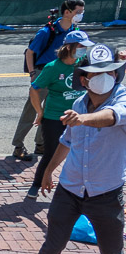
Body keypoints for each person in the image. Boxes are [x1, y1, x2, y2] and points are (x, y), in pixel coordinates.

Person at [17, 44, 126, 254]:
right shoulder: (79, 102)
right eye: (95, 72)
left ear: (117, 74)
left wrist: (83, 119)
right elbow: (66, 142)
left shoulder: (121, 100)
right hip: (70, 190)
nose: (104, 77)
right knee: (52, 245)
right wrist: (48, 171)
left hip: (106, 193)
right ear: (83, 78)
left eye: (110, 72)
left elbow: (111, 118)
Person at [12, 0, 85, 161]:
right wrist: (32, 74)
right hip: (44, 72)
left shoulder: (75, 31)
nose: (81, 15)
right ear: (67, 12)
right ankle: (18, 145)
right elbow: (30, 52)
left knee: (50, 110)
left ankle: (41, 143)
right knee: (32, 111)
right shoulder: (47, 31)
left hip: (61, 75)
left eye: (82, 12)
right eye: (78, 12)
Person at [26, 30, 91, 199]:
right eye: (81, 46)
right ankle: (36, 184)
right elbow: (34, 89)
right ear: (70, 47)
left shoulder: (84, 63)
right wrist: (40, 112)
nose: (84, 49)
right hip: (55, 117)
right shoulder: (53, 67)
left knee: (82, 151)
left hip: (80, 117)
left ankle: (78, 188)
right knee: (51, 152)